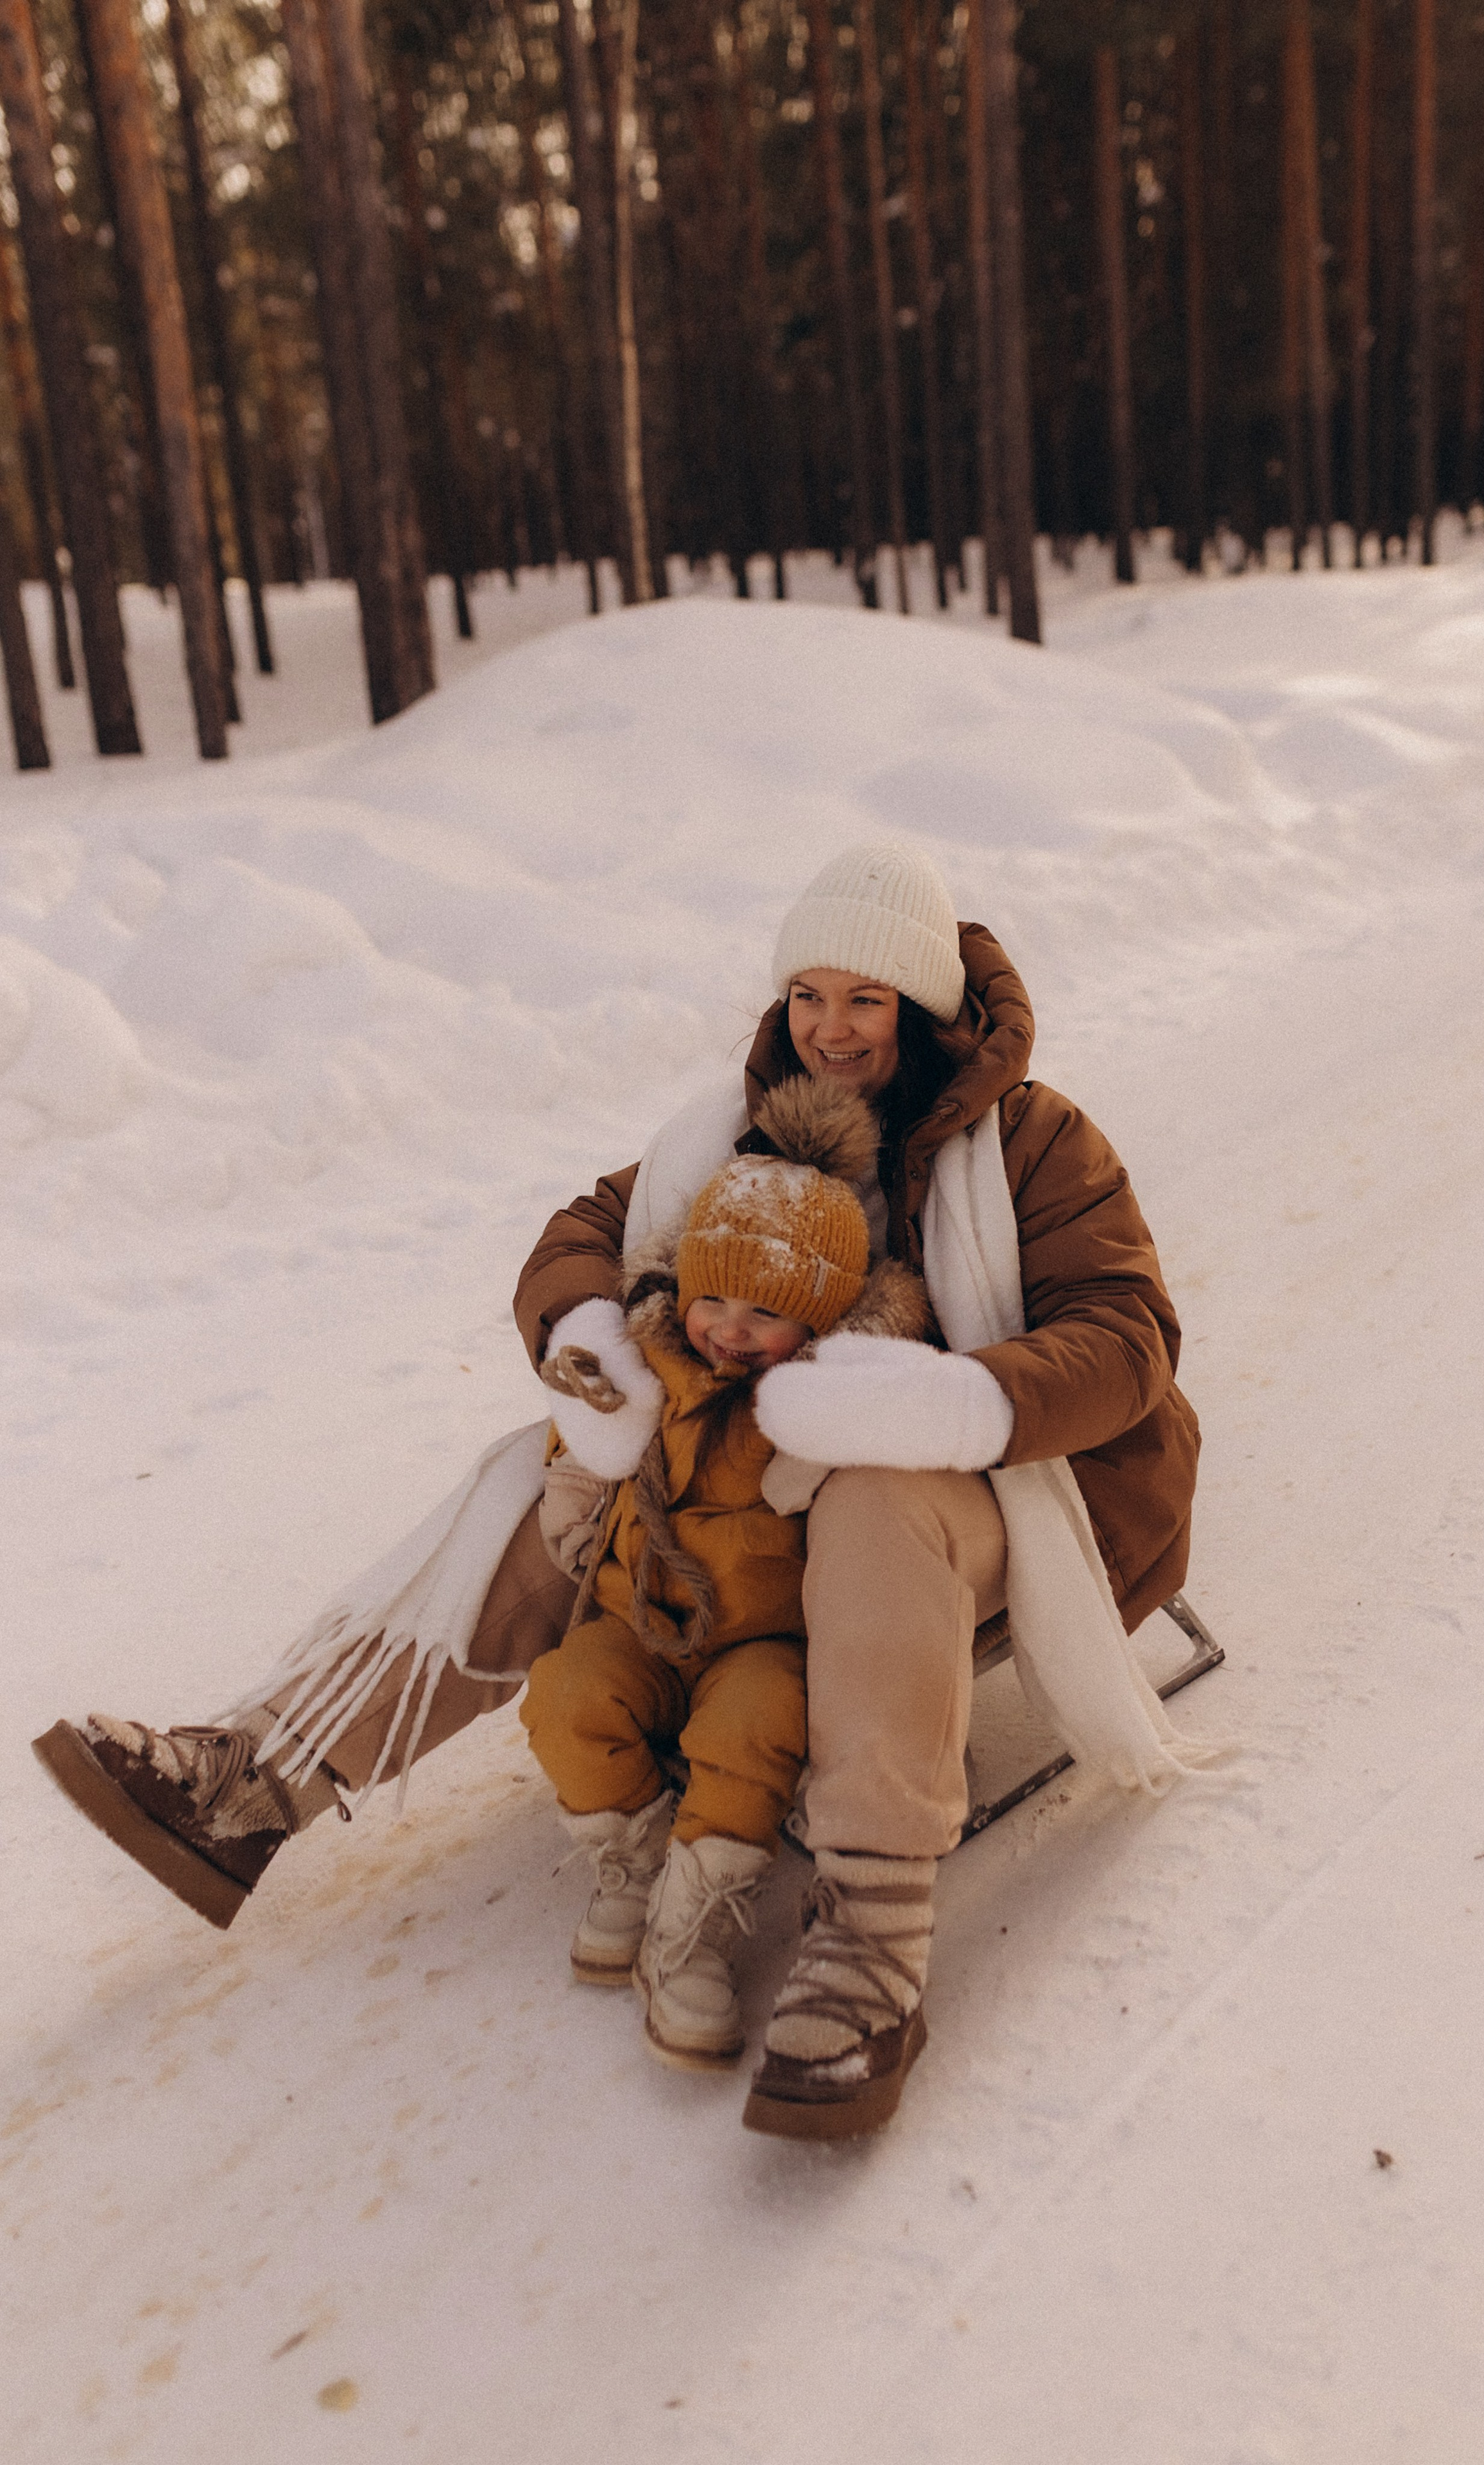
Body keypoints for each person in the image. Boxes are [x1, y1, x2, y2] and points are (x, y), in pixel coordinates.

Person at [33, 843, 1202, 2143]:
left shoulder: (1034, 1141)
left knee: (874, 1493)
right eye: (807, 995)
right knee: (549, 1469)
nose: (829, 1029)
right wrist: (591, 1342)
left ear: (922, 1008)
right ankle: (258, 1777)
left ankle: (871, 1940)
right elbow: (582, 1232)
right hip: (756, 1501)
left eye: (864, 1000)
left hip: (993, 1500)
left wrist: (933, 1403)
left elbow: (1127, 1336)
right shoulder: (735, 1133)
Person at [524, 1076, 926, 2073]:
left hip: (759, 1639)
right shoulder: (649, 1358)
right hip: (637, 1617)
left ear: (822, 1323)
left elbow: (858, 1497)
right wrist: (579, 1521)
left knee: (756, 1727)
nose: (731, 1328)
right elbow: (584, 1443)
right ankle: (631, 1853)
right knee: (567, 1696)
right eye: (714, 1298)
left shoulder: (817, 1412)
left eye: (768, 1312)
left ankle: (694, 1914)